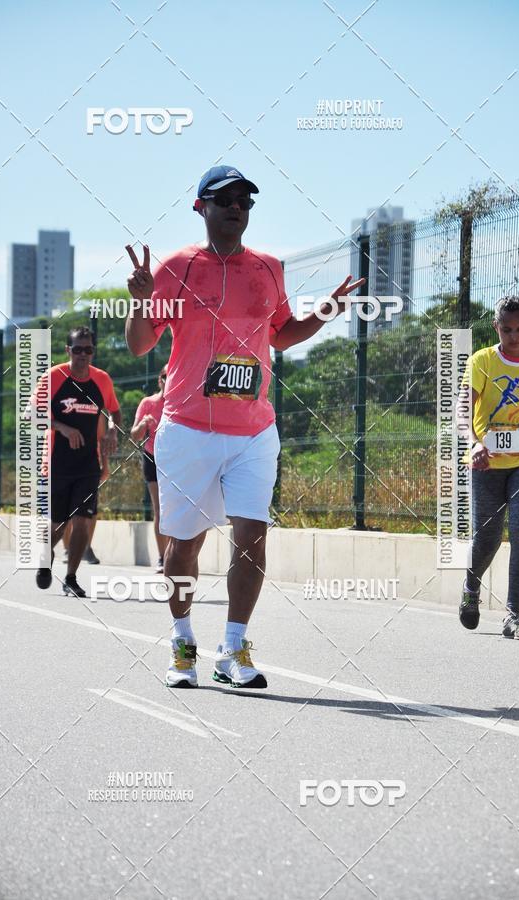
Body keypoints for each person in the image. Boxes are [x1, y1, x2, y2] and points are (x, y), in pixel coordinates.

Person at [125, 164, 364, 688]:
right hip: (187, 428)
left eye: (245, 200)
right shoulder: (176, 268)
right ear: (201, 207)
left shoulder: (269, 268)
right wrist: (141, 300)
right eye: (226, 198)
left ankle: (234, 647)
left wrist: (326, 311)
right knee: (183, 545)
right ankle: (182, 639)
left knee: (252, 536)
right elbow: (140, 344)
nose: (238, 206)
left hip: (254, 430)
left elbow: (281, 335)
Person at [458, 296, 519, 640]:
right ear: (496, 327)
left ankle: (514, 616)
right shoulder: (482, 361)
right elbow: (463, 411)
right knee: (488, 537)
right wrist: (474, 443)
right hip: (486, 461)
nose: (514, 336)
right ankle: (470, 585)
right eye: (507, 329)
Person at [35, 326, 121, 598]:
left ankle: (71, 577)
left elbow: (114, 412)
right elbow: (32, 414)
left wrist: (111, 429)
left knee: (83, 520)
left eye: (88, 350)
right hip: (57, 463)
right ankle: (44, 559)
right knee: (59, 524)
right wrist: (62, 427)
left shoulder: (102, 380)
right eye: (78, 349)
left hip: (88, 465)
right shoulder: (53, 377)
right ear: (67, 350)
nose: (83, 355)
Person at [131, 364, 168, 573]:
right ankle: (163, 557)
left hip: (175, 459)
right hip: (152, 457)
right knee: (159, 510)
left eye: (172, 376)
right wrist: (144, 423)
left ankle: (174, 554)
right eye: (164, 376)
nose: (167, 380)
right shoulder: (148, 403)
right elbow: (134, 434)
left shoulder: (180, 402)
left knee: (176, 509)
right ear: (159, 379)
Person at [62, 413, 111, 564]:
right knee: (67, 509)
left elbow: (102, 438)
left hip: (90, 464)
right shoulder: (63, 400)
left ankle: (86, 547)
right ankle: (68, 549)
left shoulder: (97, 404)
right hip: (64, 462)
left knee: (91, 508)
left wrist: (105, 464)